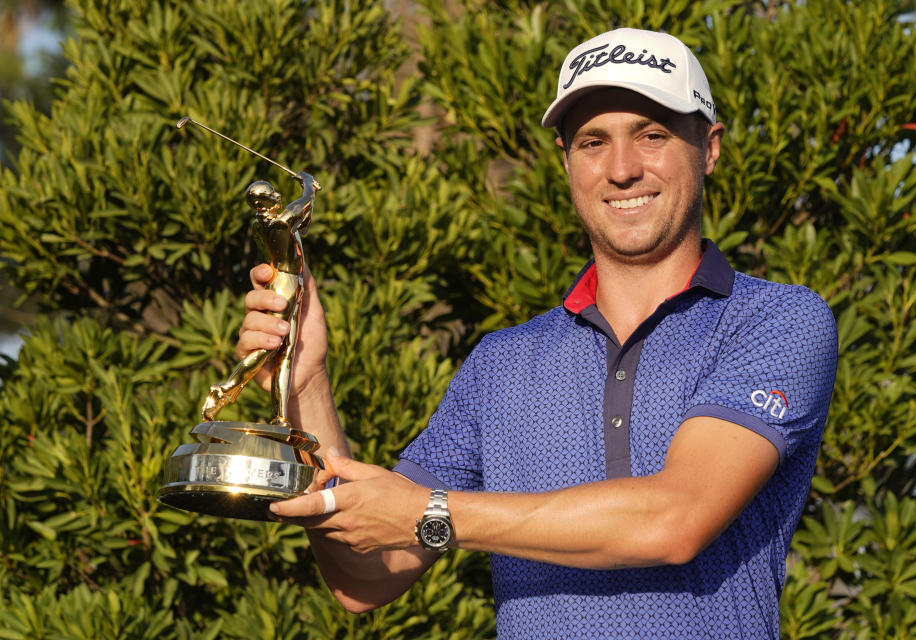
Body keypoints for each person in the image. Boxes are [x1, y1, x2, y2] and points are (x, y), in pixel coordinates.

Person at [238, 28, 837, 639]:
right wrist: (306, 382)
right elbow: (366, 577)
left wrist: (434, 513)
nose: (623, 169)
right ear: (566, 160)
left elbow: (674, 519)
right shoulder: (500, 363)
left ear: (708, 148)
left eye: (652, 135)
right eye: (593, 142)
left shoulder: (775, 322)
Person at [201, 172, 315, 425]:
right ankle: (227, 388)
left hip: (287, 282)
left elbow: (304, 218)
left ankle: (280, 415)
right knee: (270, 348)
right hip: (285, 282)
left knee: (286, 354)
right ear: (262, 204)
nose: (278, 196)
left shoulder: (258, 225)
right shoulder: (281, 222)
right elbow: (305, 200)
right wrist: (307, 182)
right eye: (271, 195)